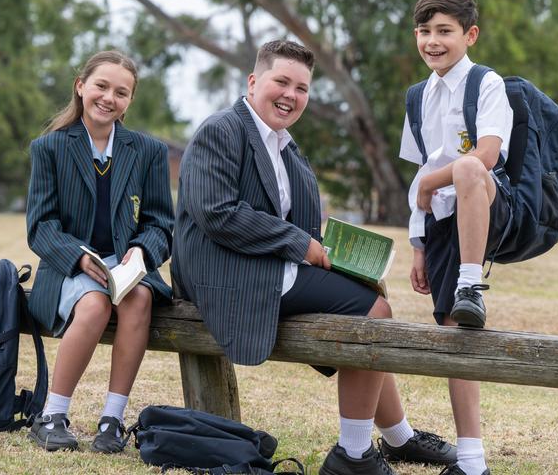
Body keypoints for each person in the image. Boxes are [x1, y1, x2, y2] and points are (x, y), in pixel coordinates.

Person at [172, 39, 456, 475]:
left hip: (269, 264)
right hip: (224, 271)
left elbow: (293, 220)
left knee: (368, 294)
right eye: (281, 82)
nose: (290, 95)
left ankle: (400, 439)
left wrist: (333, 249)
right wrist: (299, 244)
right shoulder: (222, 130)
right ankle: (354, 454)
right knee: (374, 314)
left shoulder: (285, 145)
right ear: (253, 81)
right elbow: (218, 214)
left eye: (301, 88)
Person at [26, 50, 174, 453]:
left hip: (126, 267)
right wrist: (78, 257)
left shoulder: (148, 152)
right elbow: (40, 227)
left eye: (121, 92)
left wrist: (142, 253)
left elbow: (162, 223)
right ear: (81, 87)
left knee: (140, 296)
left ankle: (112, 419)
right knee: (93, 305)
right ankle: (52, 415)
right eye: (101, 86)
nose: (109, 97)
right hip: (68, 266)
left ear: (129, 101)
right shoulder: (50, 148)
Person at [400, 0, 514, 474]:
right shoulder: (417, 96)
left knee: (467, 168)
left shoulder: (486, 83)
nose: (432, 41)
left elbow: (486, 156)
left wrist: (430, 181)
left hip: (492, 201)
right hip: (443, 222)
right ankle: (471, 461)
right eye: (425, 32)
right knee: (453, 332)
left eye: (444, 31)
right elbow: (419, 175)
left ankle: (473, 283)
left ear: (469, 35)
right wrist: (419, 246)